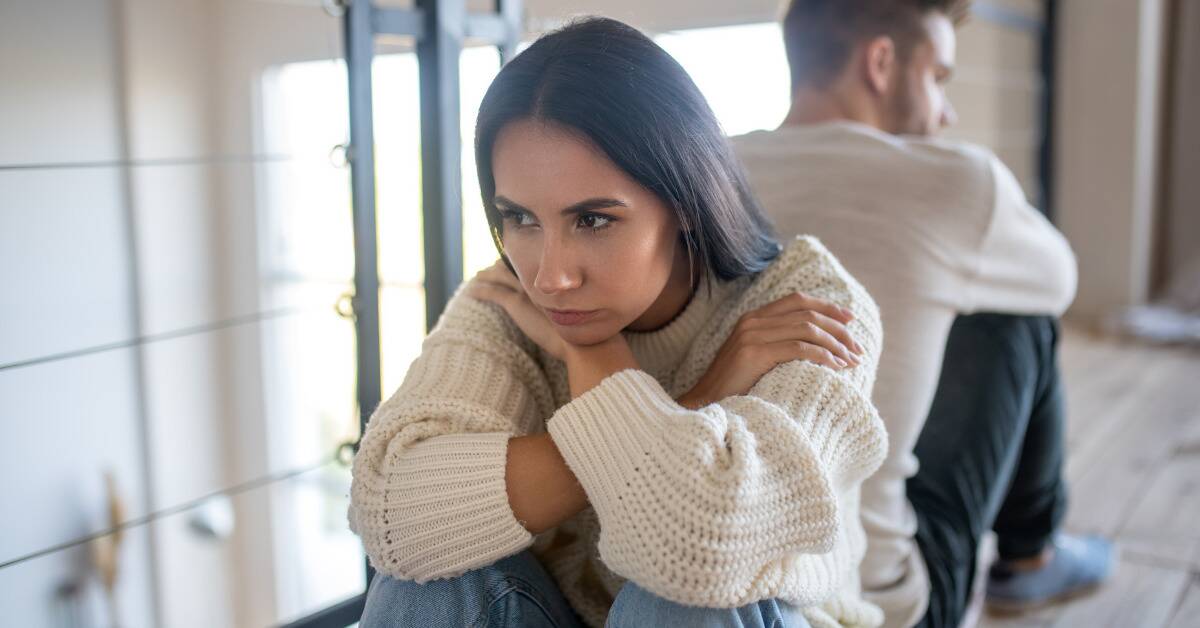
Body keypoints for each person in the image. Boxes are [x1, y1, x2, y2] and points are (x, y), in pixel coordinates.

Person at [349, 16, 890, 628]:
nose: (550, 277)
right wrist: (690, 393)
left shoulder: (808, 308)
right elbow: (394, 514)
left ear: (686, 202)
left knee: (683, 602)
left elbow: (695, 543)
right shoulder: (507, 302)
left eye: (593, 220)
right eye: (521, 218)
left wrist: (588, 353)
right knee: (428, 586)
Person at [730, 1, 1113, 627]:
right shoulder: (956, 180)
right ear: (880, 63)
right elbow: (1058, 280)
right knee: (1019, 320)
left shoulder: (710, 166)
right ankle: (1031, 560)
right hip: (881, 602)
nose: (946, 111)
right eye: (938, 76)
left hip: (733, 567)